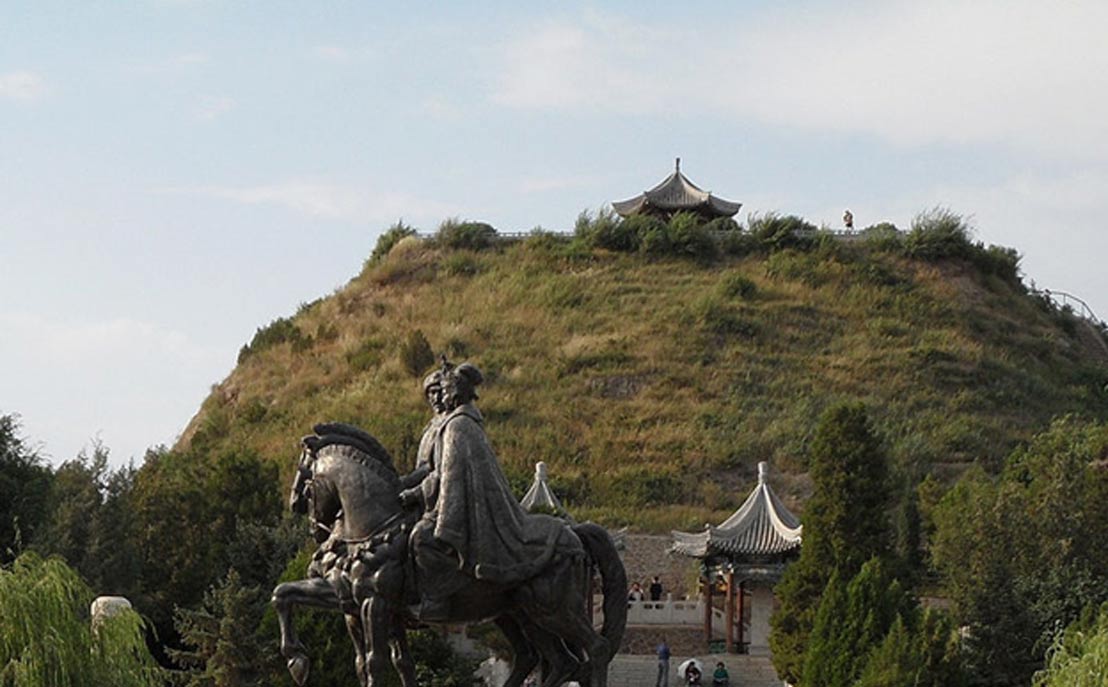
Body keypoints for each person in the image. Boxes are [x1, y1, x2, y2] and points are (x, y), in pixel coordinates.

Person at [401, 359, 568, 621]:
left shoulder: (459, 426)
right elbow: (429, 470)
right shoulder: (446, 424)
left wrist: (413, 493)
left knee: (422, 538)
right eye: (434, 392)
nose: (439, 397)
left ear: (454, 392)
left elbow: (447, 477)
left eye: (442, 391)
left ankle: (438, 598)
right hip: (435, 498)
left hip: (460, 506)